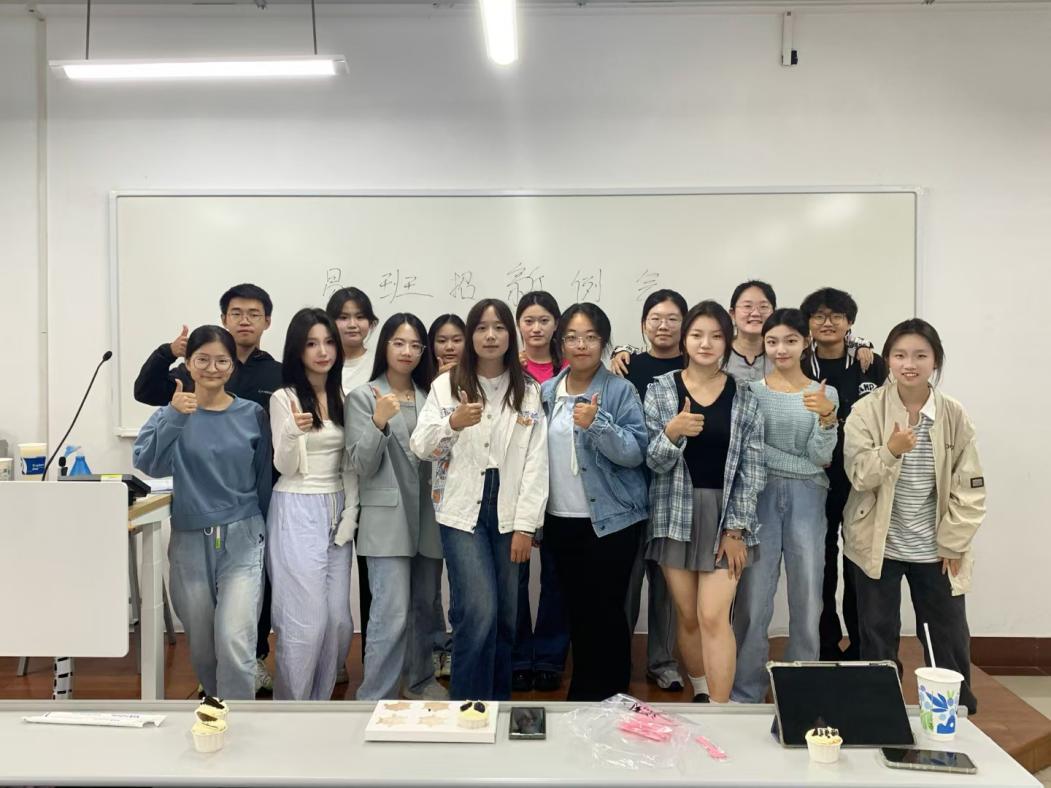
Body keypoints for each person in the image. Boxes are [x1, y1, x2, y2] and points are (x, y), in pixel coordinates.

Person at [133, 282, 281, 692]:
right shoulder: (173, 410)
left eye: (221, 361)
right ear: (188, 363)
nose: (212, 368)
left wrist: (265, 530)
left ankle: (237, 717)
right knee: (201, 643)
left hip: (243, 536)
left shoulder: (252, 414)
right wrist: (175, 417)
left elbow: (262, 478)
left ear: (232, 366)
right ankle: (215, 707)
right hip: (189, 538)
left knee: (235, 639)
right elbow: (148, 463)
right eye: (203, 359)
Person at [410, 298, 549, 701]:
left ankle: (497, 707)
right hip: (461, 508)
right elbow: (421, 446)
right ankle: (467, 710)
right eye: (482, 328)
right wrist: (452, 423)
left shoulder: (528, 389)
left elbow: (536, 461)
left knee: (505, 614)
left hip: (509, 507)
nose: (490, 336)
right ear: (471, 335)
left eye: (499, 327)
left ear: (510, 334)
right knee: (478, 611)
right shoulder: (447, 384)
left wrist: (525, 526)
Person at [844, 319, 984, 714]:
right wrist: (890, 450)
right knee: (877, 636)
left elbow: (971, 488)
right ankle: (879, 712)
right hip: (877, 544)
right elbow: (858, 475)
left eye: (920, 355)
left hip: (937, 549)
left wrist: (953, 542)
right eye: (900, 355)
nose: (910, 364)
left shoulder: (953, 414)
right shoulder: (866, 410)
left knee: (948, 637)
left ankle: (955, 714)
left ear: (935, 361)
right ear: (887, 360)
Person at [644, 301, 765, 703]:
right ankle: (700, 690)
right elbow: (653, 461)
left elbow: (752, 469)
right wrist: (672, 432)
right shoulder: (661, 390)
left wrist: (736, 530)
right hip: (673, 514)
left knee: (714, 615)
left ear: (727, 342)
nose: (705, 343)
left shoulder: (744, 396)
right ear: (685, 340)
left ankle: (720, 708)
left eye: (715, 336)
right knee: (688, 616)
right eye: (697, 335)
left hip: (725, 517)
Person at [540, 303, 648, 701]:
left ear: (603, 342)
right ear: (561, 342)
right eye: (572, 337)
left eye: (590, 337)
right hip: (560, 518)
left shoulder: (620, 390)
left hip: (611, 520)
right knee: (576, 609)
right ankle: (585, 694)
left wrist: (598, 425)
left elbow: (635, 452)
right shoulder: (548, 392)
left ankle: (613, 695)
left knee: (607, 611)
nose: (581, 345)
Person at [731, 308, 839, 704]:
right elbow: (752, 453)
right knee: (753, 597)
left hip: (809, 498)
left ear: (805, 342)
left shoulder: (825, 394)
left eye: (790, 341)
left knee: (808, 595)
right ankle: (746, 689)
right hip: (758, 495)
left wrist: (827, 418)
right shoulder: (750, 392)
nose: (781, 349)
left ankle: (801, 689)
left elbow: (822, 457)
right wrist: (801, 463)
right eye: (773, 341)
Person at [348, 313, 448, 702]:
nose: (407, 351)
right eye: (399, 343)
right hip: (386, 519)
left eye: (415, 345)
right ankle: (375, 695)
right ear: (385, 345)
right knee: (390, 614)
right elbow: (361, 465)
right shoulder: (364, 396)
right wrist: (378, 422)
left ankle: (419, 681)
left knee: (425, 606)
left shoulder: (432, 396)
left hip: (429, 516)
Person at [266, 309, 353, 701]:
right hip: (297, 504)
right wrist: (290, 433)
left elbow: (350, 463)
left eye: (329, 342)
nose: (323, 351)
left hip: (337, 507)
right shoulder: (284, 398)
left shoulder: (342, 396)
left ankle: (318, 707)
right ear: (297, 350)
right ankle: (292, 710)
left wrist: (350, 513)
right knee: (306, 622)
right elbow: (284, 466)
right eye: (312, 343)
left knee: (338, 621)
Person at [799, 287, 888, 660]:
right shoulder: (801, 364)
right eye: (819, 316)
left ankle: (860, 643)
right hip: (817, 476)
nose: (828, 322)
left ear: (849, 322)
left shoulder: (871, 364)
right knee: (821, 560)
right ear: (808, 323)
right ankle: (824, 640)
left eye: (836, 315)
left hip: (861, 478)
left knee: (858, 560)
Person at [611, 289, 690, 693]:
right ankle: (618, 661)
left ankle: (663, 662)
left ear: (685, 324)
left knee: (667, 584)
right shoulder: (627, 367)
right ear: (643, 324)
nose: (663, 325)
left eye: (673, 318)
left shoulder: (694, 367)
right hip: (629, 491)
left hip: (674, 491)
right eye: (655, 318)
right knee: (625, 582)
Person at [512, 292, 570, 692]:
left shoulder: (571, 368)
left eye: (544, 320)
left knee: (556, 577)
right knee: (514, 578)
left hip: (563, 489)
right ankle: (518, 656)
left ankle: (549, 657)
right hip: (517, 487)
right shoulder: (508, 369)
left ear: (556, 325)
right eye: (529, 320)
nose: (536, 328)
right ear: (518, 325)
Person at [325, 286, 379, 677]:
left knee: (373, 579)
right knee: (329, 577)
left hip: (373, 481)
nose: (352, 324)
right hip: (327, 482)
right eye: (343, 316)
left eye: (360, 316)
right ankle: (333, 657)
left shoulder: (380, 363)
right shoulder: (320, 361)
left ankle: (375, 663)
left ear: (372, 323)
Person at [424, 314, 467, 680]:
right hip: (425, 495)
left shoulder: (478, 381)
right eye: (441, 340)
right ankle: (437, 646)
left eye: (456, 339)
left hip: (462, 499)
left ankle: (456, 649)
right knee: (429, 582)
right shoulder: (426, 383)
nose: (449, 346)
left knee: (462, 580)